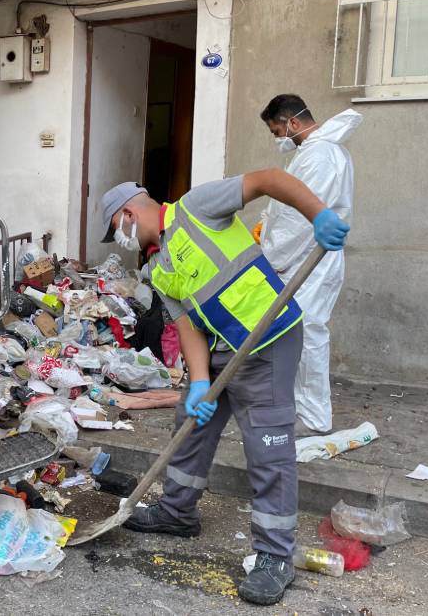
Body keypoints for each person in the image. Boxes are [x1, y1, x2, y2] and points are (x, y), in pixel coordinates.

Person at [98, 171, 349, 606]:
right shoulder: (158, 267)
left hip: (267, 339)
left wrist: (318, 214)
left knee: (267, 447)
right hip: (218, 349)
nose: (120, 239)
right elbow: (186, 324)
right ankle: (176, 512)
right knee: (190, 427)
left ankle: (275, 556)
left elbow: (268, 179)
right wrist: (199, 382)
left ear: (128, 215)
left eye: (116, 229)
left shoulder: (197, 207)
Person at [257, 95, 362, 434]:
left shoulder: (321, 156)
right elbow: (288, 206)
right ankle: (297, 409)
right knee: (298, 334)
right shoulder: (315, 153)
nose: (278, 139)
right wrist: (265, 227)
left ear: (293, 123)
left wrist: (270, 255)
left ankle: (314, 417)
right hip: (305, 257)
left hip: (311, 258)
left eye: (277, 131)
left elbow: (300, 222)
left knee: (307, 334)